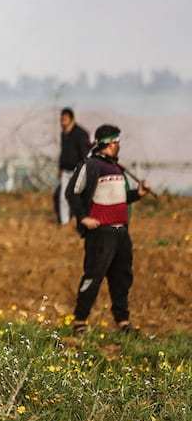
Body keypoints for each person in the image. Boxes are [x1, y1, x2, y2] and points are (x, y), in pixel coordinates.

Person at [65, 125, 150, 335]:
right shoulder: (91, 165)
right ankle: (80, 321)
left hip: (121, 232)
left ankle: (122, 321)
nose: (117, 146)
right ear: (105, 144)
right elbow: (72, 192)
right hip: (101, 233)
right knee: (93, 275)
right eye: (114, 142)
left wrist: (137, 194)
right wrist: (84, 217)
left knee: (122, 277)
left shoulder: (118, 169)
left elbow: (120, 200)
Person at [55, 107, 92, 225]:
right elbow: (63, 152)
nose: (62, 122)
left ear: (72, 119)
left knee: (78, 197)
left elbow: (85, 154)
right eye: (61, 119)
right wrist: (60, 168)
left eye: (65, 119)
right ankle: (64, 222)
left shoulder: (81, 134)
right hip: (66, 171)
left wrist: (84, 169)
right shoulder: (63, 134)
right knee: (63, 197)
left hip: (78, 171)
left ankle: (81, 220)